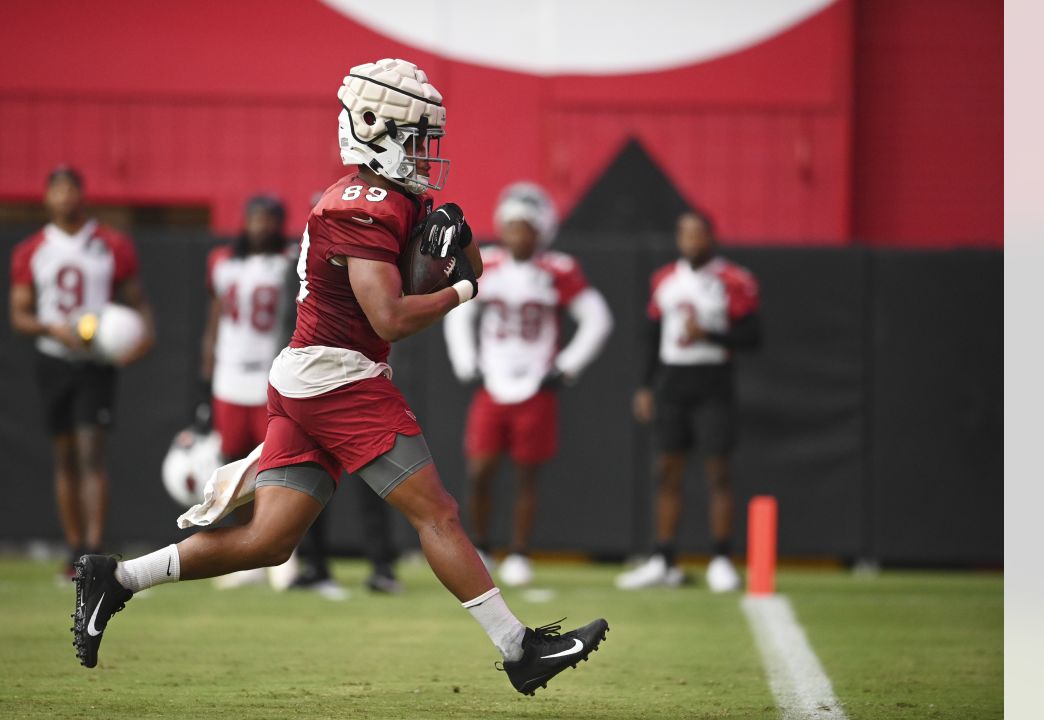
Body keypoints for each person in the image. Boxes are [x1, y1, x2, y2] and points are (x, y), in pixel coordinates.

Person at [69, 58, 607, 696]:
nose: (423, 152)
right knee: (437, 513)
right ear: (374, 130)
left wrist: (461, 258)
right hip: (338, 377)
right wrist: (462, 288)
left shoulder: (390, 198)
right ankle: (519, 650)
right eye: (413, 139)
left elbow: (442, 274)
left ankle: (117, 578)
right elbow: (391, 314)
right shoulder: (361, 203)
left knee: (270, 542)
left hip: (316, 375)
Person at [443, 182, 613, 587]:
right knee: (480, 470)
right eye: (513, 225)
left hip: (535, 384)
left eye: (526, 226)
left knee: (526, 475)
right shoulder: (489, 264)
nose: (519, 234)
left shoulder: (557, 269)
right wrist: (467, 362)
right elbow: (458, 312)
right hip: (493, 381)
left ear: (540, 231)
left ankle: (520, 551)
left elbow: (597, 318)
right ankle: (481, 545)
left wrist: (566, 366)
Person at [9, 166, 155, 577]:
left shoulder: (111, 244)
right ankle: (75, 549)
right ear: (46, 197)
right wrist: (48, 327)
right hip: (54, 357)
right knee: (66, 456)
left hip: (96, 362)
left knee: (92, 453)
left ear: (82, 194)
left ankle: (94, 549)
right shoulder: (31, 249)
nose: (64, 197)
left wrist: (142, 337)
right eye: (56, 189)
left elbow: (137, 300)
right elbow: (19, 315)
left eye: (71, 189)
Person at [617, 210, 761, 593]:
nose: (691, 240)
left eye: (698, 233)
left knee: (717, 471)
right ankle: (663, 558)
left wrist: (712, 334)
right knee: (666, 470)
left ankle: (721, 558)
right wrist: (645, 386)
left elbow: (753, 335)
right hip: (673, 382)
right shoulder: (664, 279)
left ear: (711, 237)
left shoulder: (733, 279)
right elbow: (651, 334)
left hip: (713, 382)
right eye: (684, 233)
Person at [196, 193, 297, 591]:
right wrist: (205, 377)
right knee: (236, 469)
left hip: (270, 374)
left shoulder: (287, 262)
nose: (260, 225)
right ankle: (246, 555)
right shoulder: (222, 261)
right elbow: (215, 321)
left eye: (268, 218)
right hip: (228, 377)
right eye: (254, 217)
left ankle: (281, 552)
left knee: (276, 467)